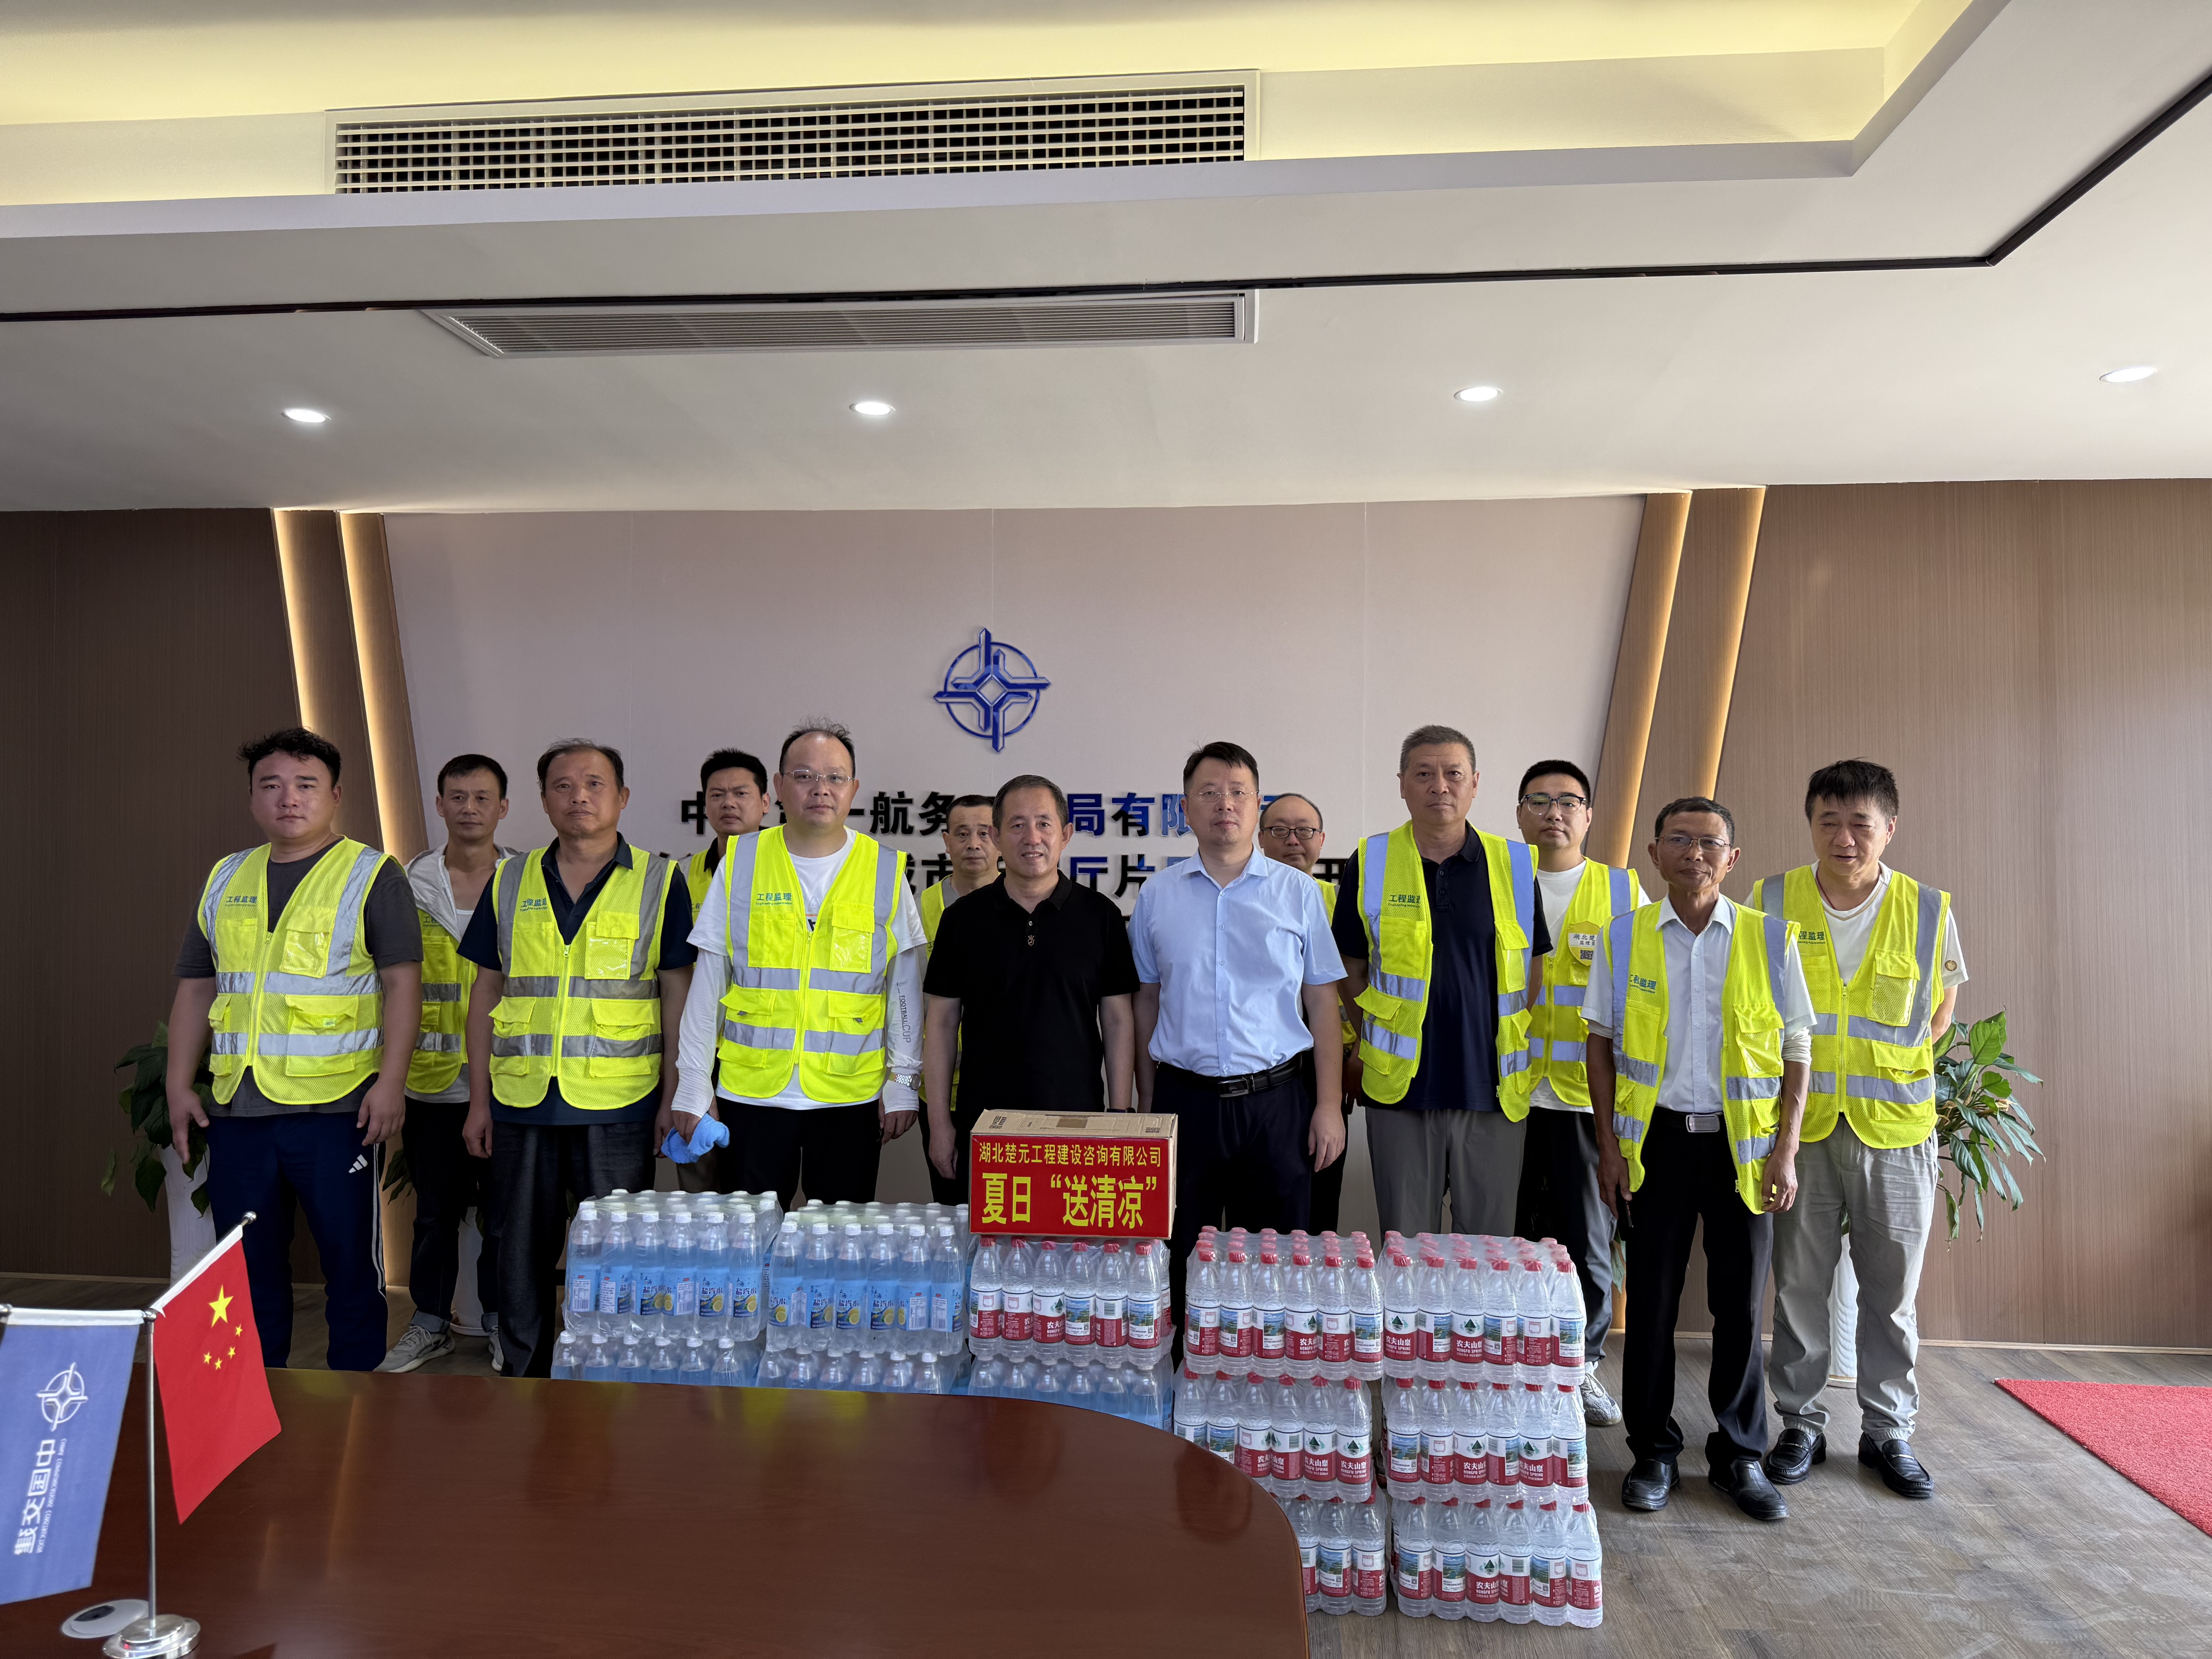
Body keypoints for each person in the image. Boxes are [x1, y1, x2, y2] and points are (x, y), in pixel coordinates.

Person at [1585, 796, 1814, 1523]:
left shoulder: (1769, 937)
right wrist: (1609, 1148)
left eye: (1710, 842)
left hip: (1743, 1150)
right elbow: (1600, 1042)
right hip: (1653, 1145)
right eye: (1679, 840)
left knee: (1739, 1306)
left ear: (1732, 858)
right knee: (1650, 1304)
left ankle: (1739, 1453)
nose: (1694, 853)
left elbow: (1796, 1049)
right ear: (1654, 853)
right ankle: (1652, 1450)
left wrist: (1786, 1150)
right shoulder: (1624, 936)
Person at [167, 728, 423, 1372]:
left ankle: (358, 1400)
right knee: (245, 1269)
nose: (289, 798)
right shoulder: (227, 875)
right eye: (272, 785)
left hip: (338, 1109)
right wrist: (178, 1084)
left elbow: (402, 983)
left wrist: (391, 1082)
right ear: (252, 798)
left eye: (306, 785)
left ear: (335, 795)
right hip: (239, 1110)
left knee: (349, 1264)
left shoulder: (371, 873)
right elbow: (197, 986)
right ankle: (256, 1394)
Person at [1755, 760, 1965, 1502]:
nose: (1843, 837)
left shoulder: (1928, 907)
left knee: (1892, 1291)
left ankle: (1887, 1430)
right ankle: (1800, 1423)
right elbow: (1750, 1002)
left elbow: (1938, 1012)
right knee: (1799, 1286)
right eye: (1829, 820)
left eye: (1860, 823)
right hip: (1799, 1129)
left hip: (1895, 1128)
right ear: (1810, 822)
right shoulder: (1770, 899)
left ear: (1889, 828)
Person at [459, 740, 694, 1379]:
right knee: (519, 1250)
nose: (579, 796)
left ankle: (608, 1374)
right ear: (543, 800)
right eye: (562, 785)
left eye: (594, 783)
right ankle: (525, 1376)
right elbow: (486, 990)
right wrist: (478, 1101)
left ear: (622, 797)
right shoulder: (510, 879)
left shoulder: (658, 879)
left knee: (617, 1253)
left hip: (620, 1101)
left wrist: (674, 1096)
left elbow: (677, 993)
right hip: (522, 1098)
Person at [1132, 742, 1346, 1335]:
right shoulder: (1157, 895)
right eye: (1209, 793)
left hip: (1277, 1105)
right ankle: (1185, 1376)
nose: (1224, 804)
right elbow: (1146, 1001)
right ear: (1185, 809)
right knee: (1179, 1256)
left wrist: (1329, 1106)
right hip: (1184, 1102)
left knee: (1273, 1266)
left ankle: (1266, 1381)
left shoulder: (1298, 893)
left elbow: (1322, 1003)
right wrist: (1147, 1107)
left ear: (1257, 806)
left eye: (1237, 793)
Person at [672, 721, 926, 1211]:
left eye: (835, 777)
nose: (821, 789)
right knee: (751, 1238)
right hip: (752, 1094)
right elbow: (709, 983)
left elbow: (903, 988)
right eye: (805, 776)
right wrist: (693, 1082)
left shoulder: (884, 868)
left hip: (850, 1095)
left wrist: (904, 1081)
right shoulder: (742, 861)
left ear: (854, 788)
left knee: (839, 1241)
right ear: (780, 786)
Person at [1332, 725, 1551, 1238]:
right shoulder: (1372, 860)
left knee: (1488, 1253)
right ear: (1402, 785)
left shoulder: (1515, 864)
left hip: (1494, 1090)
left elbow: (1533, 967)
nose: (1440, 786)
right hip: (1402, 1091)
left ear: (1475, 784)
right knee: (1407, 1249)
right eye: (1424, 774)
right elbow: (1351, 966)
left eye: (1453, 774)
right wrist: (1378, 1030)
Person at [923, 775, 1138, 1197]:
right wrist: (940, 1124)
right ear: (997, 837)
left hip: (1077, 1123)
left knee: (1071, 1235)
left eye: (1044, 824)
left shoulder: (1101, 917)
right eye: (1017, 825)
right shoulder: (963, 920)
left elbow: (1117, 1021)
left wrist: (1119, 1114)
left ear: (1066, 834)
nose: (1032, 838)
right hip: (984, 1125)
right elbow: (942, 1024)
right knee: (983, 1239)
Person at [1511, 759, 1645, 1429]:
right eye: (1539, 800)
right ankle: (1510, 1365)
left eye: (1568, 801)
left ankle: (1582, 1366)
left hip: (1584, 1101)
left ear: (1589, 816)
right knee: (1507, 1239)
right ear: (1519, 813)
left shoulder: (1622, 889)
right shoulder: (1499, 881)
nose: (1553, 812)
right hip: (1507, 1094)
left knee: (1589, 1243)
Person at [379, 754, 519, 1376]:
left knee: (505, 1214)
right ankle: (431, 1323)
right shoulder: (406, 885)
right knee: (435, 1213)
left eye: (482, 798)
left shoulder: (526, 881)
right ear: (439, 805)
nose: (469, 809)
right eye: (457, 797)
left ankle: (500, 1322)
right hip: (432, 1083)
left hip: (509, 1080)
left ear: (503, 808)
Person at [1257, 792, 1360, 1231]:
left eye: (1304, 831)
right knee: (1260, 1207)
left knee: (1318, 1200)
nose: (1292, 840)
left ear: (1322, 840)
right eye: (1280, 830)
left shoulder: (1344, 905)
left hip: (1326, 1071)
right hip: (1261, 1074)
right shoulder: (1242, 901)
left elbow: (1362, 989)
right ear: (1261, 839)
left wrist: (1357, 1056)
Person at [918, 792, 998, 1204]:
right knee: (952, 1209)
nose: (974, 844)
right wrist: (901, 1086)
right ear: (947, 842)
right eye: (963, 834)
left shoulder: (1025, 904)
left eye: (984, 833)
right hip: (940, 1092)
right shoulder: (920, 908)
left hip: (1004, 1087)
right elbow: (904, 1005)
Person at [681, 749, 771, 914]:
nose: (728, 803)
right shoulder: (681, 874)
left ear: (765, 803)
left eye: (741, 794)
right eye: (717, 795)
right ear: (705, 805)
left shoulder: (795, 866)